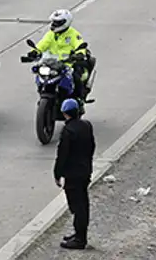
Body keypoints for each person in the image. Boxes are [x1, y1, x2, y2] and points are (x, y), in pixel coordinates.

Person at [54, 98, 96, 250]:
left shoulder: (68, 131)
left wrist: (57, 174)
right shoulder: (86, 126)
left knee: (77, 206)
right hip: (85, 171)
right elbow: (92, 147)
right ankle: (79, 233)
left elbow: (62, 154)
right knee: (82, 203)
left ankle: (80, 239)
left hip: (72, 175)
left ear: (65, 114)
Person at [28, 9, 91, 102]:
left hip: (67, 64)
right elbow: (42, 44)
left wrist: (80, 54)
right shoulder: (50, 34)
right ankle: (43, 93)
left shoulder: (73, 34)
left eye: (57, 22)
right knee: (39, 73)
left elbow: (79, 45)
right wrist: (34, 51)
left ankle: (79, 99)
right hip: (51, 63)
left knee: (76, 77)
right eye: (54, 22)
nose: (54, 24)